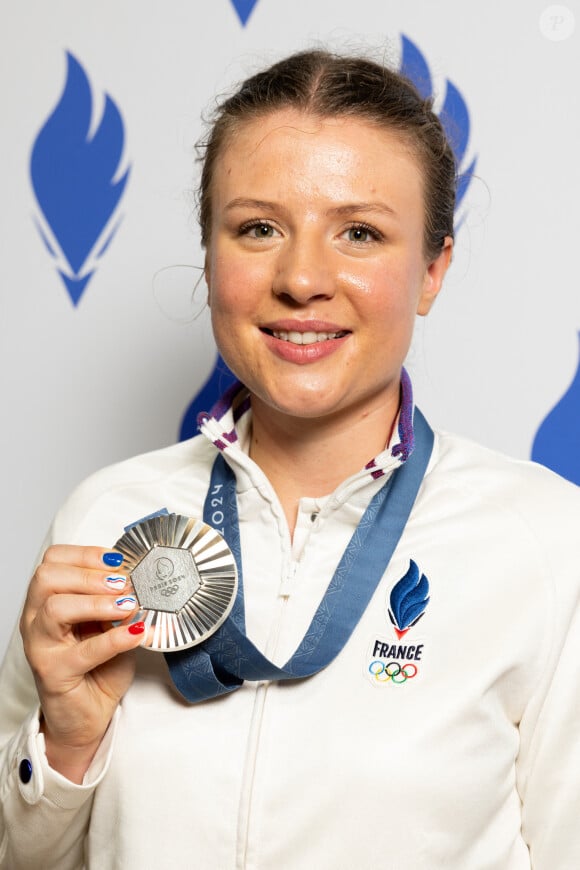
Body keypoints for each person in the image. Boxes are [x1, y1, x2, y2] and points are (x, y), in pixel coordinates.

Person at [1, 48, 579, 870]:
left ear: (433, 269)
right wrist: (64, 742)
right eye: (259, 228)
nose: (303, 277)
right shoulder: (104, 517)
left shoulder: (548, 543)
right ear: (210, 255)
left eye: (360, 232)